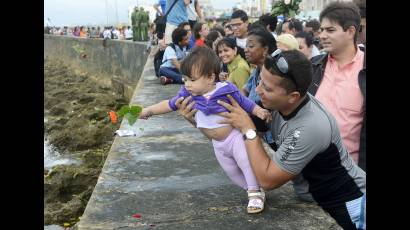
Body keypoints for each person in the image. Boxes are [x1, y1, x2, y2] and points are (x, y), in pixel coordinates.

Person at [177, 49, 366, 229]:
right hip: (317, 198)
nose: (257, 90)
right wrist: (196, 121)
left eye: (266, 88)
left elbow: (267, 181)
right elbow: (226, 133)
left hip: (351, 203)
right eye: (259, 81)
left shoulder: (310, 127)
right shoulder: (272, 104)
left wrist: (249, 129)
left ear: (293, 96)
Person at [139, 46, 271, 214]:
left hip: (234, 137)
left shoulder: (226, 89)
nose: (187, 84)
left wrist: (260, 111)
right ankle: (253, 190)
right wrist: (148, 111)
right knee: (231, 171)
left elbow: (246, 103)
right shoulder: (188, 94)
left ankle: (254, 193)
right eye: (185, 79)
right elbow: (168, 104)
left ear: (210, 77)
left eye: (192, 80)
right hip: (218, 145)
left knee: (245, 163)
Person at [308, 2, 366, 170]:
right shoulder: (313, 67)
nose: (322, 35)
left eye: (330, 30)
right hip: (312, 172)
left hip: (353, 176)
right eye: (322, 29)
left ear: (350, 31)